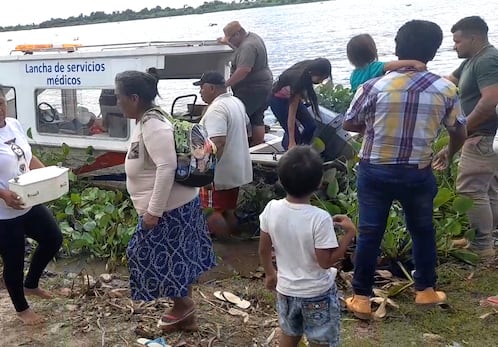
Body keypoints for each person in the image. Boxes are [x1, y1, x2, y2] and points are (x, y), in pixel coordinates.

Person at [342, 20, 467, 319]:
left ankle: (361, 296)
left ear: (398, 48)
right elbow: (459, 130)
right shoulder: (446, 88)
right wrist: (448, 152)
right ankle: (425, 290)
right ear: (434, 52)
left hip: (375, 171)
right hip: (417, 171)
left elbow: (349, 123)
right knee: (422, 229)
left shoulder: (372, 86)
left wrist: (371, 126)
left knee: (371, 232)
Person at [116, 69, 216, 332]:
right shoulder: (149, 119)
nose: (118, 103)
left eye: (119, 97)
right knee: (177, 259)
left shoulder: (153, 125)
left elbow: (166, 167)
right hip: (175, 207)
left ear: (134, 98)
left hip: (169, 210)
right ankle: (186, 314)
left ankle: (183, 307)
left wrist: (153, 212)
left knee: (143, 255)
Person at [0, 83, 63, 325]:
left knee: (53, 238)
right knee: (14, 259)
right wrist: (2, 194)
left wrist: (49, 175)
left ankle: (31, 284)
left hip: (26, 201)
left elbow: (26, 157)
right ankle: (22, 309)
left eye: (1, 103)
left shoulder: (14, 125)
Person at [259, 146, 356, 347]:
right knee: (321, 341)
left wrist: (270, 273)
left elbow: (264, 249)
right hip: (316, 293)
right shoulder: (319, 219)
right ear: (319, 182)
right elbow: (325, 262)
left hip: (286, 291)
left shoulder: (272, 209)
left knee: (289, 334)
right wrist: (349, 234)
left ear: (281, 179)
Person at [446, 16, 498, 259]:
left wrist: (464, 128)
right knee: (488, 190)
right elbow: (447, 82)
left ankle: (482, 246)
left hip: (482, 136)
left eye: (457, 41)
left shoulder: (486, 60)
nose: (453, 45)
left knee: (470, 190)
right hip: (482, 137)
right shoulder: (471, 61)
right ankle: (487, 238)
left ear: (474, 38)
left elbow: (490, 100)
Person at [193, 71, 253, 237]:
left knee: (211, 211)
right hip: (236, 168)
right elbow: (248, 129)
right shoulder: (236, 102)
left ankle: (224, 245)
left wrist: (205, 171)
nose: (200, 92)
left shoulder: (217, 109)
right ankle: (235, 238)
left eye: (202, 88)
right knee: (228, 209)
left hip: (219, 173)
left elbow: (217, 142)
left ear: (211, 88)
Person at [219, 20, 273, 147]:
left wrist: (225, 85)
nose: (230, 42)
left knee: (237, 118)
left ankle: (238, 148)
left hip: (252, 89)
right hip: (264, 85)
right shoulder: (253, 37)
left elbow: (244, 70)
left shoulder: (248, 46)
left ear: (238, 34)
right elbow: (239, 50)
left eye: (231, 39)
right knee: (257, 118)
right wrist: (227, 42)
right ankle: (257, 147)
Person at [269, 58, 332, 150]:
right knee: (295, 135)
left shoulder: (308, 69)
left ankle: (303, 149)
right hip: (278, 100)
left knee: (310, 126)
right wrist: (292, 141)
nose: (321, 82)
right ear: (315, 72)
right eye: (321, 78)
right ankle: (290, 148)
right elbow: (292, 115)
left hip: (291, 96)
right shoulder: (298, 81)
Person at [346, 33, 427, 91]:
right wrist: (414, 62)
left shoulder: (354, 75)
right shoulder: (374, 67)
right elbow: (390, 65)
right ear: (372, 51)